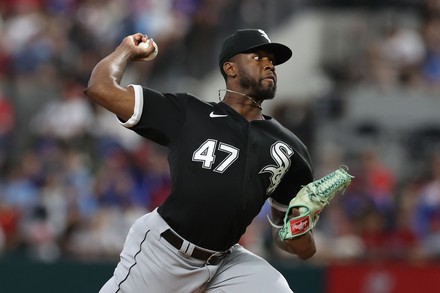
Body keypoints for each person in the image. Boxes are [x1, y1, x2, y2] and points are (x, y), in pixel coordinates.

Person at [84, 28, 316, 293]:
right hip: (165, 253)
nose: (269, 64)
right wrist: (126, 49)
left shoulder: (290, 148)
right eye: (257, 57)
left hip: (225, 262)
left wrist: (298, 232)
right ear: (230, 68)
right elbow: (100, 88)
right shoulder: (189, 114)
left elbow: (295, 242)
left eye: (272, 60)